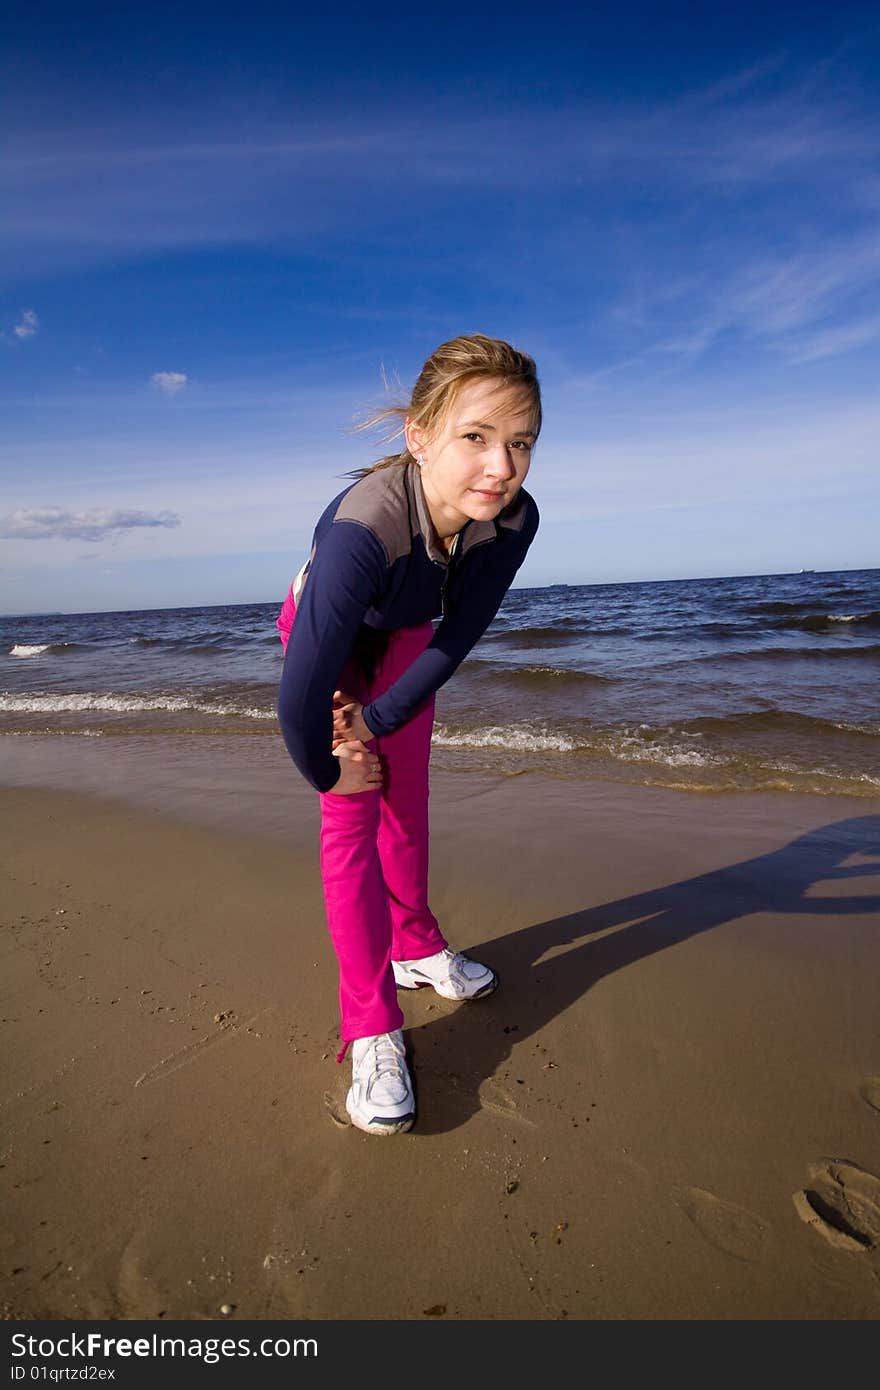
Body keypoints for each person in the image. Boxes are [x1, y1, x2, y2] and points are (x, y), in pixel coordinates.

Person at [276, 333, 541, 1135]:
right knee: (354, 814)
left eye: (520, 443)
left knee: (407, 798)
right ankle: (371, 1027)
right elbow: (296, 699)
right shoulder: (366, 530)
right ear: (419, 438)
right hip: (325, 644)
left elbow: (456, 637)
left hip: (406, 639)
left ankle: (416, 946)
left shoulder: (514, 520)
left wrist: (384, 719)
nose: (502, 466)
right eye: (476, 437)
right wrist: (331, 767)